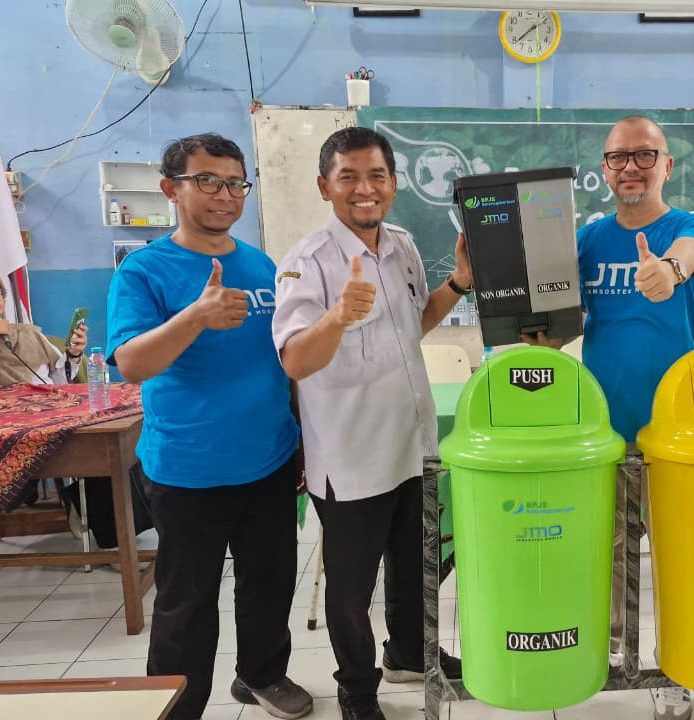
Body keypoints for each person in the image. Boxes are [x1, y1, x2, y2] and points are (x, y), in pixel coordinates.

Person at [106, 133, 311, 720]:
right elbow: (130, 365)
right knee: (186, 602)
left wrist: (300, 438)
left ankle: (263, 676)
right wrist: (195, 316)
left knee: (269, 586)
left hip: (269, 459)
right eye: (208, 182)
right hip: (188, 469)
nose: (225, 195)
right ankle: (175, 703)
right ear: (172, 188)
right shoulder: (144, 270)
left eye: (235, 183)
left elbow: (284, 357)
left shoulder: (261, 264)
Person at [271, 127, 470, 720]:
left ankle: (410, 652)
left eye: (377, 176)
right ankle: (358, 689)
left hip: (411, 448)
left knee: (416, 571)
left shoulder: (404, 246)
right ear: (324, 186)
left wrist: (459, 284)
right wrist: (336, 318)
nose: (365, 189)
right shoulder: (308, 262)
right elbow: (295, 359)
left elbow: (416, 324)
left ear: (393, 182)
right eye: (349, 177)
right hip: (351, 458)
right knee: (351, 592)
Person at [527, 115, 694, 720]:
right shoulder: (586, 240)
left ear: (667, 164)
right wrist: (540, 336)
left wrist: (671, 270)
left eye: (644, 155)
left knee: (675, 552)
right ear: (603, 170)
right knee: (607, 548)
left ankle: (674, 665)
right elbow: (568, 323)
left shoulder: (691, 227)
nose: (630, 167)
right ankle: (616, 649)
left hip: (676, 431)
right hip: (603, 428)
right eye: (617, 158)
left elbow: (692, 255)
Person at [0, 269, 152, 549]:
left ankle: (115, 535)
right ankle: (106, 532)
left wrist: (73, 355)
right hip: (0, 440)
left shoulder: (26, 335)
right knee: (94, 452)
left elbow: (56, 382)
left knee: (111, 444)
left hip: (50, 424)